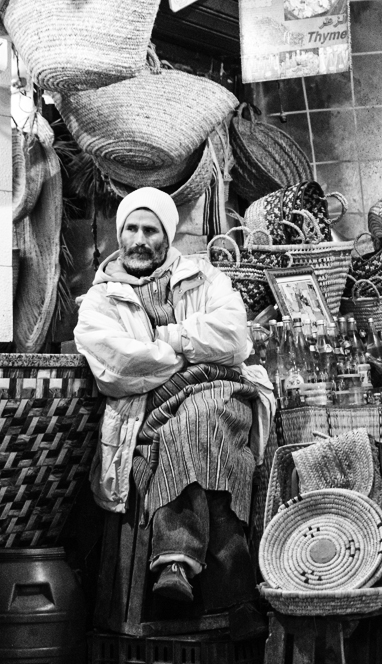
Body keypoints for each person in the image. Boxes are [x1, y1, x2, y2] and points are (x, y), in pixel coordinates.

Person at [75, 189, 273, 613]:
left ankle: (175, 560)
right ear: (119, 234)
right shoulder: (100, 298)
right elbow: (116, 367)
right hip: (150, 408)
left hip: (224, 390)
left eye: (150, 230)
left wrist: (165, 339)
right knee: (193, 427)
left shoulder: (205, 277)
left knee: (202, 416)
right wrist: (187, 355)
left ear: (166, 237)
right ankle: (233, 597)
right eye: (131, 229)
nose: (139, 239)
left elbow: (235, 337)